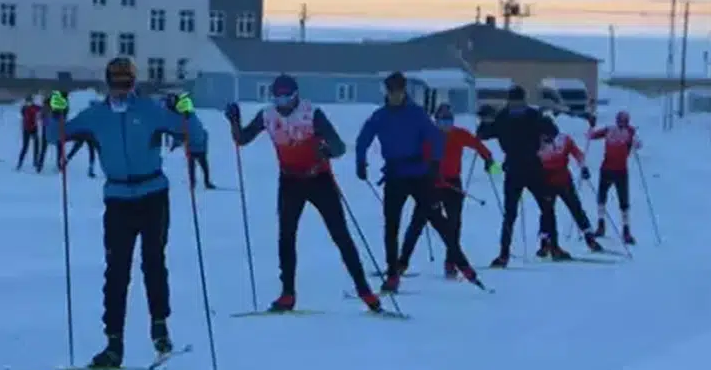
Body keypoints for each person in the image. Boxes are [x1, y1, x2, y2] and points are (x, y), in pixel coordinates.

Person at [45, 57, 204, 369]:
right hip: (117, 198)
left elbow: (195, 137)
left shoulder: (149, 111)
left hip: (153, 194)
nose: (121, 90)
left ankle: (160, 329)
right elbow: (56, 137)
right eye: (116, 83)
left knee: (153, 262)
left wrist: (187, 112)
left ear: (134, 83)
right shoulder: (96, 115)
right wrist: (56, 112)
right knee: (116, 270)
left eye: (126, 83)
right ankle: (114, 343)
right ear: (108, 83)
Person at [227, 75, 381, 312]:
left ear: (296, 95)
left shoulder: (312, 113)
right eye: (277, 96)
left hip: (319, 178)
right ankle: (287, 294)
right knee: (286, 238)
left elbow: (339, 147)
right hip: (290, 181)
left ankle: (365, 291)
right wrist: (234, 121)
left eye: (286, 96)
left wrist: (325, 150)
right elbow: (242, 139)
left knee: (340, 235)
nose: (282, 101)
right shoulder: (268, 115)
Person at [355, 71, 482, 292]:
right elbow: (363, 138)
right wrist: (360, 161)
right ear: (388, 92)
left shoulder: (417, 114)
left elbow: (435, 139)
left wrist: (435, 164)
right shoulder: (381, 116)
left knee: (439, 221)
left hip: (419, 174)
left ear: (404, 91)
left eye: (399, 91)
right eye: (392, 91)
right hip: (395, 175)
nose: (395, 95)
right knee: (391, 226)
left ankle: (463, 265)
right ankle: (393, 273)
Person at [396, 103, 495, 278]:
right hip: (430, 184)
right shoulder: (427, 136)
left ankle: (451, 262)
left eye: (448, 120)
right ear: (436, 121)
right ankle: (402, 263)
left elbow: (478, 146)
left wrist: (488, 159)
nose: (445, 124)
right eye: (442, 120)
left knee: (454, 224)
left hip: (452, 184)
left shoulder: (459, 134)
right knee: (417, 223)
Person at [475, 85, 558, 268]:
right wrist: (485, 121)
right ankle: (505, 253)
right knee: (530, 209)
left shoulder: (509, 116)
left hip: (524, 167)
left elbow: (483, 133)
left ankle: (549, 245)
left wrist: (484, 121)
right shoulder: (519, 116)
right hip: (521, 168)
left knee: (542, 206)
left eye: (518, 100)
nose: (517, 104)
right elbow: (483, 134)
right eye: (515, 101)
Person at [536, 117, 603, 258]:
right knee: (546, 212)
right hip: (545, 181)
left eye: (549, 134)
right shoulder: (536, 142)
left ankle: (589, 237)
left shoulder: (564, 139)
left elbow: (577, 153)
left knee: (575, 208)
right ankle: (544, 242)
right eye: (544, 134)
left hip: (563, 180)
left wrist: (583, 167)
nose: (546, 137)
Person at [587, 109, 642, 245]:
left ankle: (626, 230)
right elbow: (591, 136)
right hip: (606, 169)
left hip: (621, 171)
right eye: (620, 120)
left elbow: (639, 145)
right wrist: (591, 125)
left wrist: (634, 142)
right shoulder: (609, 130)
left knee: (623, 201)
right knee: (601, 198)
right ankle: (601, 225)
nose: (622, 123)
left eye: (624, 121)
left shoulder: (630, 132)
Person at [165, 92, 216, 190]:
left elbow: (179, 130)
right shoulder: (178, 113)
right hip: (197, 140)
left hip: (195, 140)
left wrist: (176, 141)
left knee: (197, 163)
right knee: (197, 163)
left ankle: (198, 183)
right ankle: (199, 182)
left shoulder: (180, 114)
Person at [16, 95, 43, 171]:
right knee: (25, 147)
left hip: (34, 128)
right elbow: (24, 114)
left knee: (36, 144)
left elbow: (41, 109)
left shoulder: (34, 107)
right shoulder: (24, 108)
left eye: (30, 101)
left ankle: (35, 161)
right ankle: (20, 163)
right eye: (28, 101)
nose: (29, 103)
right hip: (26, 129)